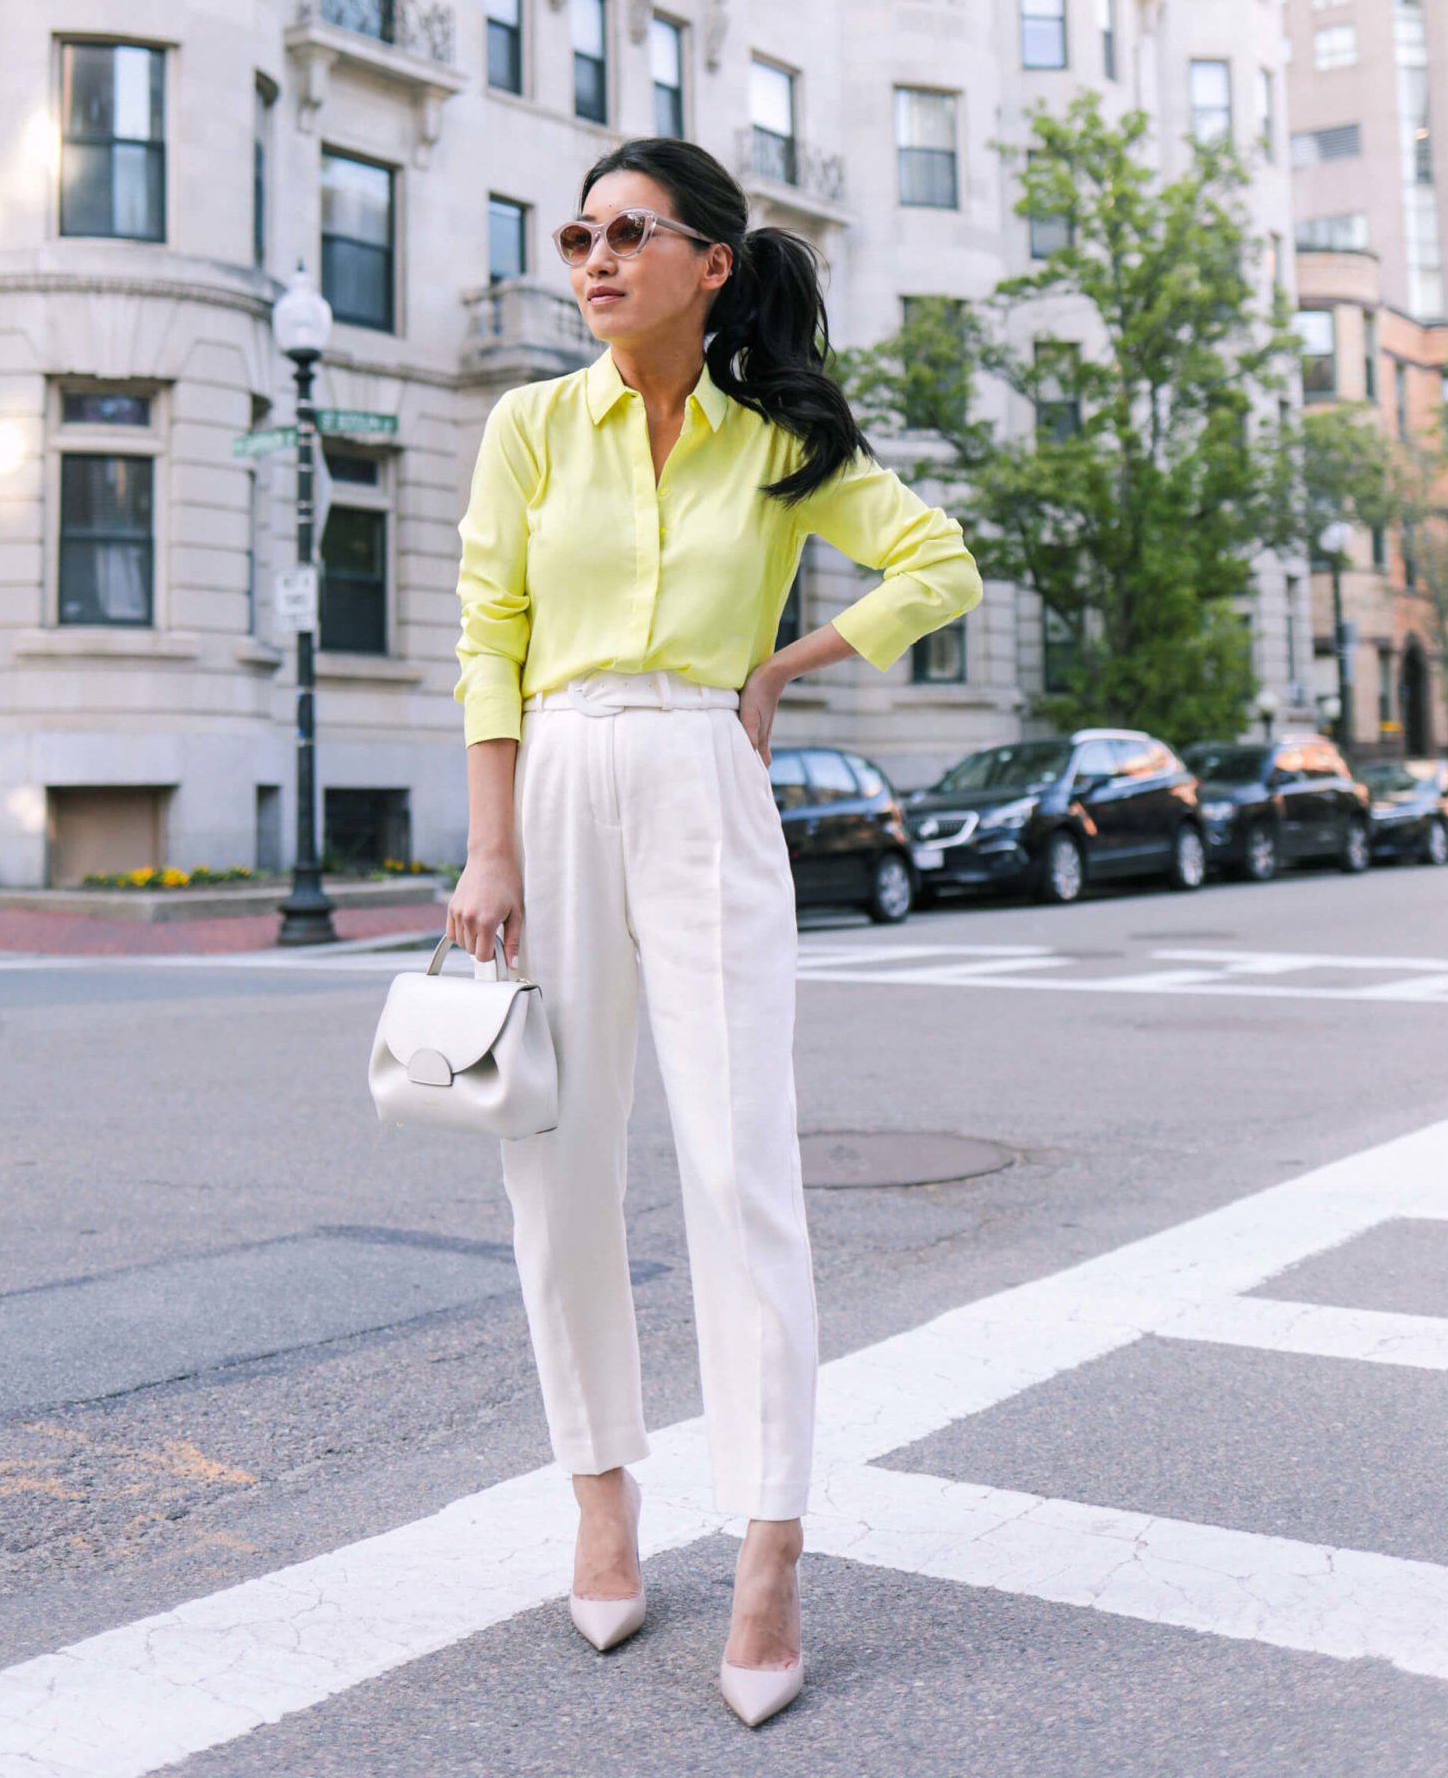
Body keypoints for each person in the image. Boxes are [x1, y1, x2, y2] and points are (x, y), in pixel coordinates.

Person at [446, 137, 982, 1726]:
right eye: (576, 235)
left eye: (629, 232)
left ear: (712, 265)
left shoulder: (775, 445)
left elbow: (937, 563)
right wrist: (490, 847)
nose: (594, 258)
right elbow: (490, 630)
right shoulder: (532, 425)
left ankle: (768, 1543)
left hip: (703, 774)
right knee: (556, 1162)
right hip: (552, 777)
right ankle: (601, 1493)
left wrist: (785, 661)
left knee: (741, 1166)